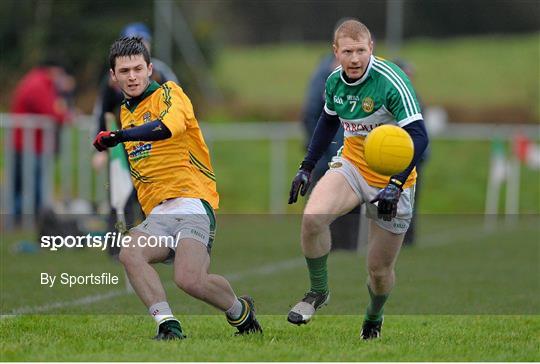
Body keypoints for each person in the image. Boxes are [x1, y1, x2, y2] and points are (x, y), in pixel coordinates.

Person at [92, 36, 262, 339]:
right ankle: (168, 326)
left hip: (192, 203)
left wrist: (119, 136)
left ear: (149, 69)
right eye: (124, 71)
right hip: (158, 213)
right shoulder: (125, 111)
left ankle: (240, 311)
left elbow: (165, 128)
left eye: (137, 69)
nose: (132, 76)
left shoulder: (171, 94)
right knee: (129, 252)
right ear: (113, 76)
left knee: (189, 279)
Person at [287, 19, 429, 340]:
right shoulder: (335, 81)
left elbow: (419, 136)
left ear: (371, 49)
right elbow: (326, 121)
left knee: (378, 272)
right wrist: (307, 167)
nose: (354, 59)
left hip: (395, 180)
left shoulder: (392, 80)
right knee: (312, 219)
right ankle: (318, 292)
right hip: (352, 165)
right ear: (335, 52)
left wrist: (395, 184)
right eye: (347, 51)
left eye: (361, 51)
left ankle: (373, 316)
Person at [92, 23, 179, 253]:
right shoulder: (111, 80)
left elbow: (176, 113)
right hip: (122, 148)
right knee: (119, 196)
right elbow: (103, 113)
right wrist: (100, 148)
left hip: (157, 148)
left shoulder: (162, 73)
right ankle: (116, 247)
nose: (131, 76)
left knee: (153, 198)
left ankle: (160, 244)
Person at [301, 52, 361, 251]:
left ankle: (348, 246)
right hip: (327, 156)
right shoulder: (323, 78)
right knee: (323, 206)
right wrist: (321, 148)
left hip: (354, 156)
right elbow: (311, 115)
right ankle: (326, 247)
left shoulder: (369, 76)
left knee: (350, 203)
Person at [11, 59, 72, 221]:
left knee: (23, 184)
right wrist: (67, 116)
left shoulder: (37, 81)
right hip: (29, 144)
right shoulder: (38, 84)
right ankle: (29, 220)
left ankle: (24, 219)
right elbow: (50, 111)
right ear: (53, 71)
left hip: (29, 143)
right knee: (30, 185)